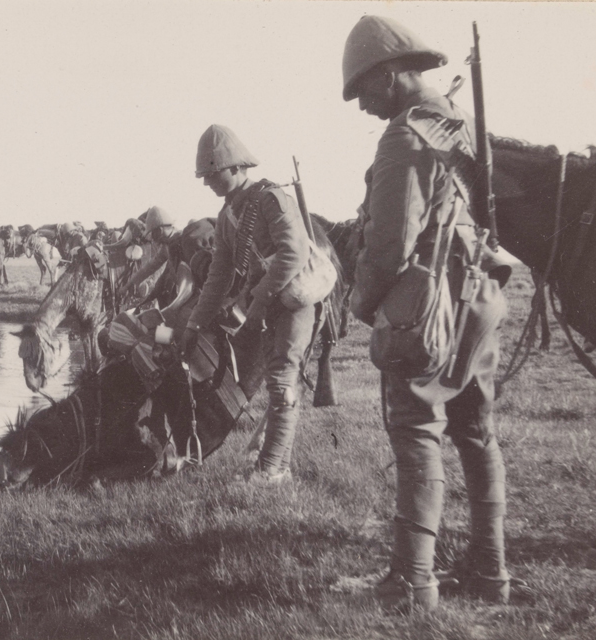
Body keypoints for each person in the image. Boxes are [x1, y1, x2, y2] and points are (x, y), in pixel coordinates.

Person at [342, 16, 514, 610]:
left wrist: (362, 303)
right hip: (479, 298)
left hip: (430, 307)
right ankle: (490, 572)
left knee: (416, 431)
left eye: (363, 91)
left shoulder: (405, 134)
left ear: (390, 76)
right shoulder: (459, 122)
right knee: (476, 431)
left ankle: (413, 581)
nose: (363, 106)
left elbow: (389, 244)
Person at [179, 124, 316, 484]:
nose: (208, 182)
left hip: (294, 300)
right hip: (268, 305)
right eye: (204, 176)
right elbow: (218, 278)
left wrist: (259, 297)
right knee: (277, 380)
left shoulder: (270, 199)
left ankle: (271, 469)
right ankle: (274, 466)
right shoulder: (228, 216)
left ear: (237, 167)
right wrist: (194, 324)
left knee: (283, 381)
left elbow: (294, 253)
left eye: (213, 173)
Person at [121, 206, 215, 309]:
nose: (153, 240)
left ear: (160, 231)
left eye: (153, 234)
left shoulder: (187, 240)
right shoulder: (167, 247)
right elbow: (149, 267)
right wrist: (128, 285)